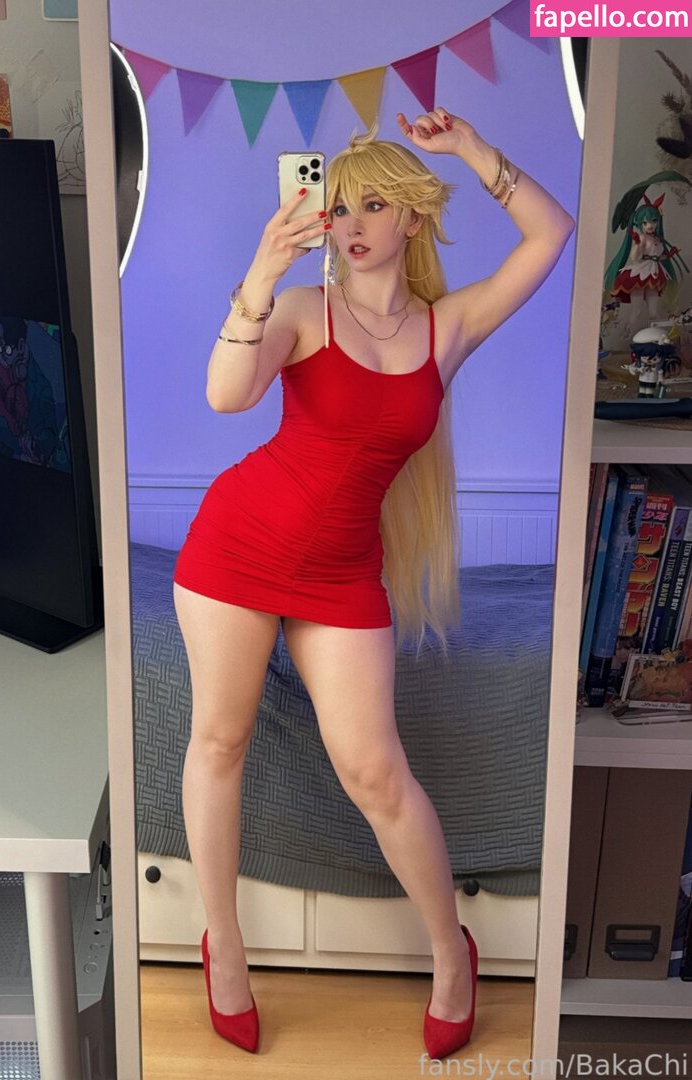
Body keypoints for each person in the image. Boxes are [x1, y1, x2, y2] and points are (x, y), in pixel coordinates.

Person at [171, 107, 575, 1058]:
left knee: (376, 773)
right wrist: (261, 275)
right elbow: (226, 397)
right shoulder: (302, 310)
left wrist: (469, 148)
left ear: (413, 217)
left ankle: (451, 953)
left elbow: (551, 234)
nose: (350, 223)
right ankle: (223, 944)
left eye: (375, 205)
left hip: (344, 574)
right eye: (341, 205)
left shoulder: (448, 327)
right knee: (219, 741)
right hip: (235, 549)